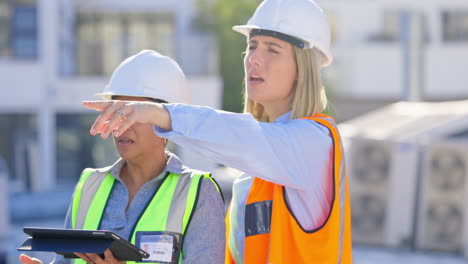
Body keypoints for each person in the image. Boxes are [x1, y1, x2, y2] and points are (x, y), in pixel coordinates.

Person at [83, 0, 353, 263]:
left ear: (304, 67)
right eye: (252, 46)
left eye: (273, 49)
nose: (254, 59)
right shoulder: (253, 176)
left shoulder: (315, 144)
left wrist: (161, 114)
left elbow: (244, 137)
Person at [19, 50, 225, 264]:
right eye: (116, 113)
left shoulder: (199, 192)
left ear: (167, 120)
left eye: (133, 114)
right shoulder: (89, 185)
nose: (122, 126)